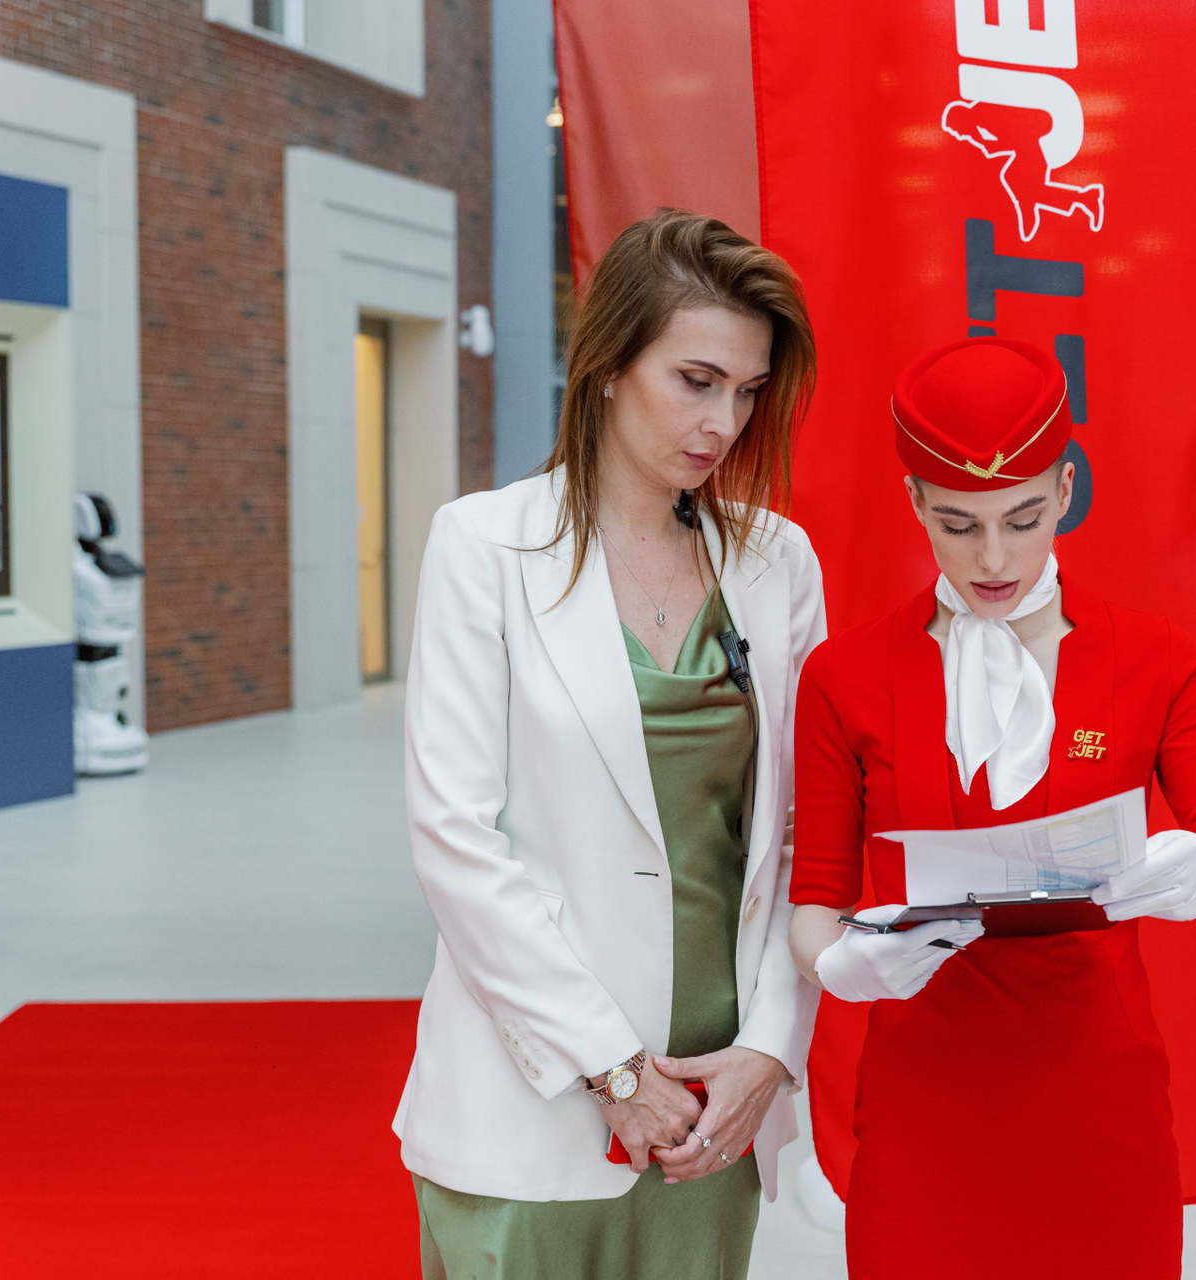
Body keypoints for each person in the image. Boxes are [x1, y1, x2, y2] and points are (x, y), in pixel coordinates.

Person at [786, 337, 1196, 1278]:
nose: (994, 557)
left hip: (1099, 1101)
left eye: (1021, 518)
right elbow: (814, 900)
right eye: (957, 524)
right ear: (913, 502)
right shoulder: (845, 674)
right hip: (922, 1103)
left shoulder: (1153, 657)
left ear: (1064, 489)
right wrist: (842, 963)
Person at [393, 210, 824, 1279]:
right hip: (533, 1092)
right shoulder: (484, 547)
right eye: (696, 380)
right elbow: (456, 838)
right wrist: (615, 1069)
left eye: (748, 390)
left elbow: (806, 836)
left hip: (715, 1102)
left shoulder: (778, 563)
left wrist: (770, 1049)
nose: (723, 422)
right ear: (608, 365)